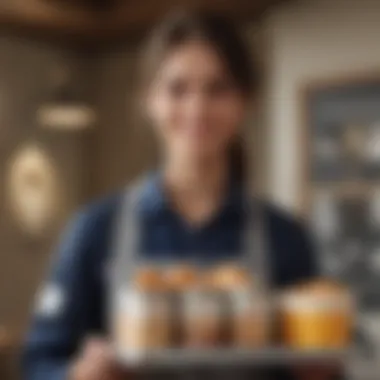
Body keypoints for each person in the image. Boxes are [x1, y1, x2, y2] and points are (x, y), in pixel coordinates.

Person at [22, 10, 339, 380]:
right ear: (149, 101)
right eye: (177, 89)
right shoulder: (94, 230)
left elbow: (323, 365)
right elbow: (38, 362)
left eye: (217, 88)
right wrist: (76, 375)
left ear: (245, 101)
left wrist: (321, 372)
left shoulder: (285, 237)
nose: (197, 108)